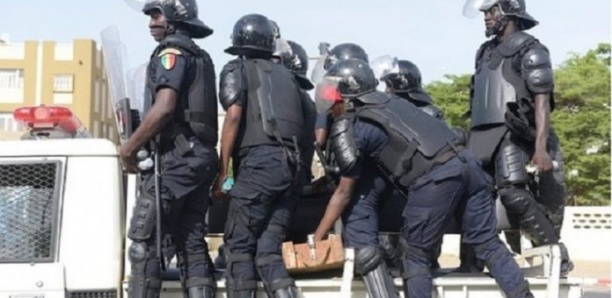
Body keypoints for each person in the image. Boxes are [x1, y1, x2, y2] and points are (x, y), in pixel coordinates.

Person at [312, 58, 535, 298]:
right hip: (468, 165)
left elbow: (344, 192)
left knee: (415, 254)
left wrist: (318, 235)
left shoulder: (357, 125)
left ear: (347, 94)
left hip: (437, 179)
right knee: (487, 243)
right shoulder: (394, 103)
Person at [461, 0, 572, 274]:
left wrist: (541, 147)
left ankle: (557, 255)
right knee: (471, 195)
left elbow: (542, 101)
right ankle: (471, 264)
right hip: (480, 136)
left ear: (509, 11)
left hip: (513, 132)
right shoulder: (485, 52)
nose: (486, 17)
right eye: (485, 12)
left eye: (492, 11)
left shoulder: (530, 48)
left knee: (512, 193)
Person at [119, 0, 219, 297]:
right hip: (198, 158)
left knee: (143, 243)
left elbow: (164, 108)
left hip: (177, 160)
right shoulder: (198, 54)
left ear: (176, 17)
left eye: (157, 14)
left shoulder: (171, 52)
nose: (151, 22)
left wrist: (129, 147)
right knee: (190, 242)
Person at [212, 13, 306, 298]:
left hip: (259, 166)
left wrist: (223, 171)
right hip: (292, 169)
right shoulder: (291, 78)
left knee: (238, 247)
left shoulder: (236, 68)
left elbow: (234, 116)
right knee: (268, 252)